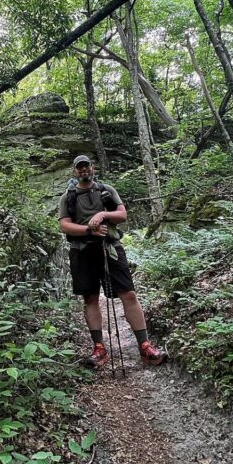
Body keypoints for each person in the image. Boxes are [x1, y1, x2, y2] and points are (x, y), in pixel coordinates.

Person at [58, 154, 167, 368]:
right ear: (75, 171)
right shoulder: (68, 197)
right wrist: (89, 230)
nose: (84, 170)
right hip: (82, 251)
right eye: (79, 167)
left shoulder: (107, 190)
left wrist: (103, 215)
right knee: (90, 298)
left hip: (111, 248)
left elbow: (122, 214)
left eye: (86, 166)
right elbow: (64, 225)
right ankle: (99, 348)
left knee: (129, 293)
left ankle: (145, 345)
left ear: (92, 168)